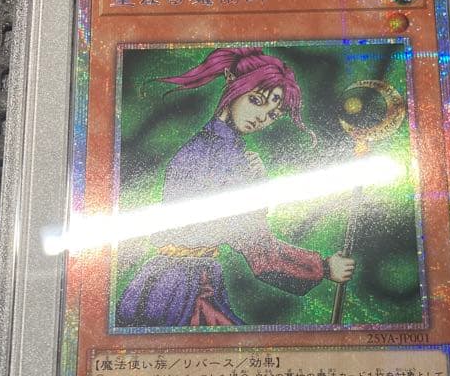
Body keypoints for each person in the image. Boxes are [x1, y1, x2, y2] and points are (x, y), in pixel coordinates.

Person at [116, 45, 355, 327]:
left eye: (273, 114)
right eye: (256, 100)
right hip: (181, 291)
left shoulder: (209, 145)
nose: (261, 117)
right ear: (232, 83)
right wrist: (324, 268)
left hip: (168, 281)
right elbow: (257, 248)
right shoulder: (222, 155)